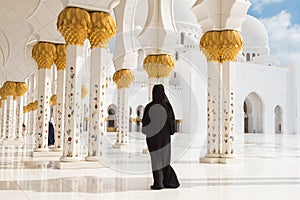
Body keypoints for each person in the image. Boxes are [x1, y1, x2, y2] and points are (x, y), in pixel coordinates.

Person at [142, 84, 180, 190]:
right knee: (165, 159)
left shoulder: (150, 106)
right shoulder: (167, 106)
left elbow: (145, 123)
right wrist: (170, 132)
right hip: (165, 137)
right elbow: (172, 122)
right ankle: (169, 181)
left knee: (156, 159)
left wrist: (147, 131)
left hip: (153, 138)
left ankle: (158, 183)